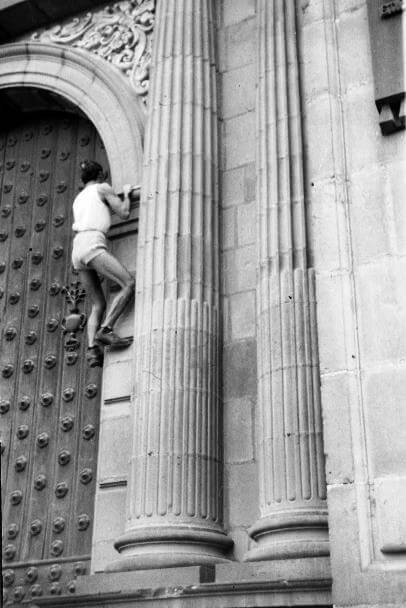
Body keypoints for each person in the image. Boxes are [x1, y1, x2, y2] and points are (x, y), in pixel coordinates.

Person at [71, 160, 135, 367]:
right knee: (128, 283)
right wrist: (125, 194)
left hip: (77, 249)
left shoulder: (78, 199)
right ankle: (106, 329)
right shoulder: (103, 188)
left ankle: (92, 350)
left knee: (98, 303)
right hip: (92, 243)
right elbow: (124, 213)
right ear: (100, 175)